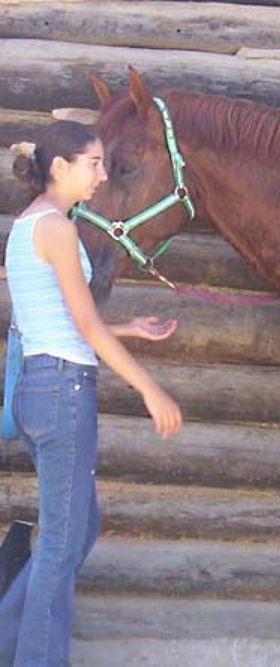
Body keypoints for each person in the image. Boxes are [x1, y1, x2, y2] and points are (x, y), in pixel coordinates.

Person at [0, 120, 183, 666]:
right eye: (94, 163)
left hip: (42, 385)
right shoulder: (55, 228)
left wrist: (129, 330)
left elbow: (52, 318)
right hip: (61, 390)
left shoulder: (33, 224)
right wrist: (151, 389)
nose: (101, 175)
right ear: (60, 167)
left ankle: (9, 635)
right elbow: (82, 324)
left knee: (77, 528)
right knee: (60, 541)